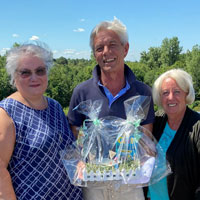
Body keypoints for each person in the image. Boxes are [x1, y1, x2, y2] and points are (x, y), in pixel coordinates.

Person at [67, 18, 155, 200]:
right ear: (94, 54)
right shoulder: (82, 92)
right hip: (93, 183)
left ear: (126, 49)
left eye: (112, 45)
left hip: (130, 181)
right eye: (99, 48)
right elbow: (75, 134)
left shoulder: (143, 92)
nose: (106, 52)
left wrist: (143, 162)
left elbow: (146, 140)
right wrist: (80, 161)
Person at [0, 42, 83, 200]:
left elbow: (67, 148)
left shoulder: (55, 106)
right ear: (14, 76)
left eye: (40, 71)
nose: (34, 78)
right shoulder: (6, 114)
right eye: (25, 72)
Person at [146, 68, 200, 200]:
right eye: (165, 93)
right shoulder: (156, 121)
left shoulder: (197, 126)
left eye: (177, 91)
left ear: (186, 94)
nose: (170, 97)